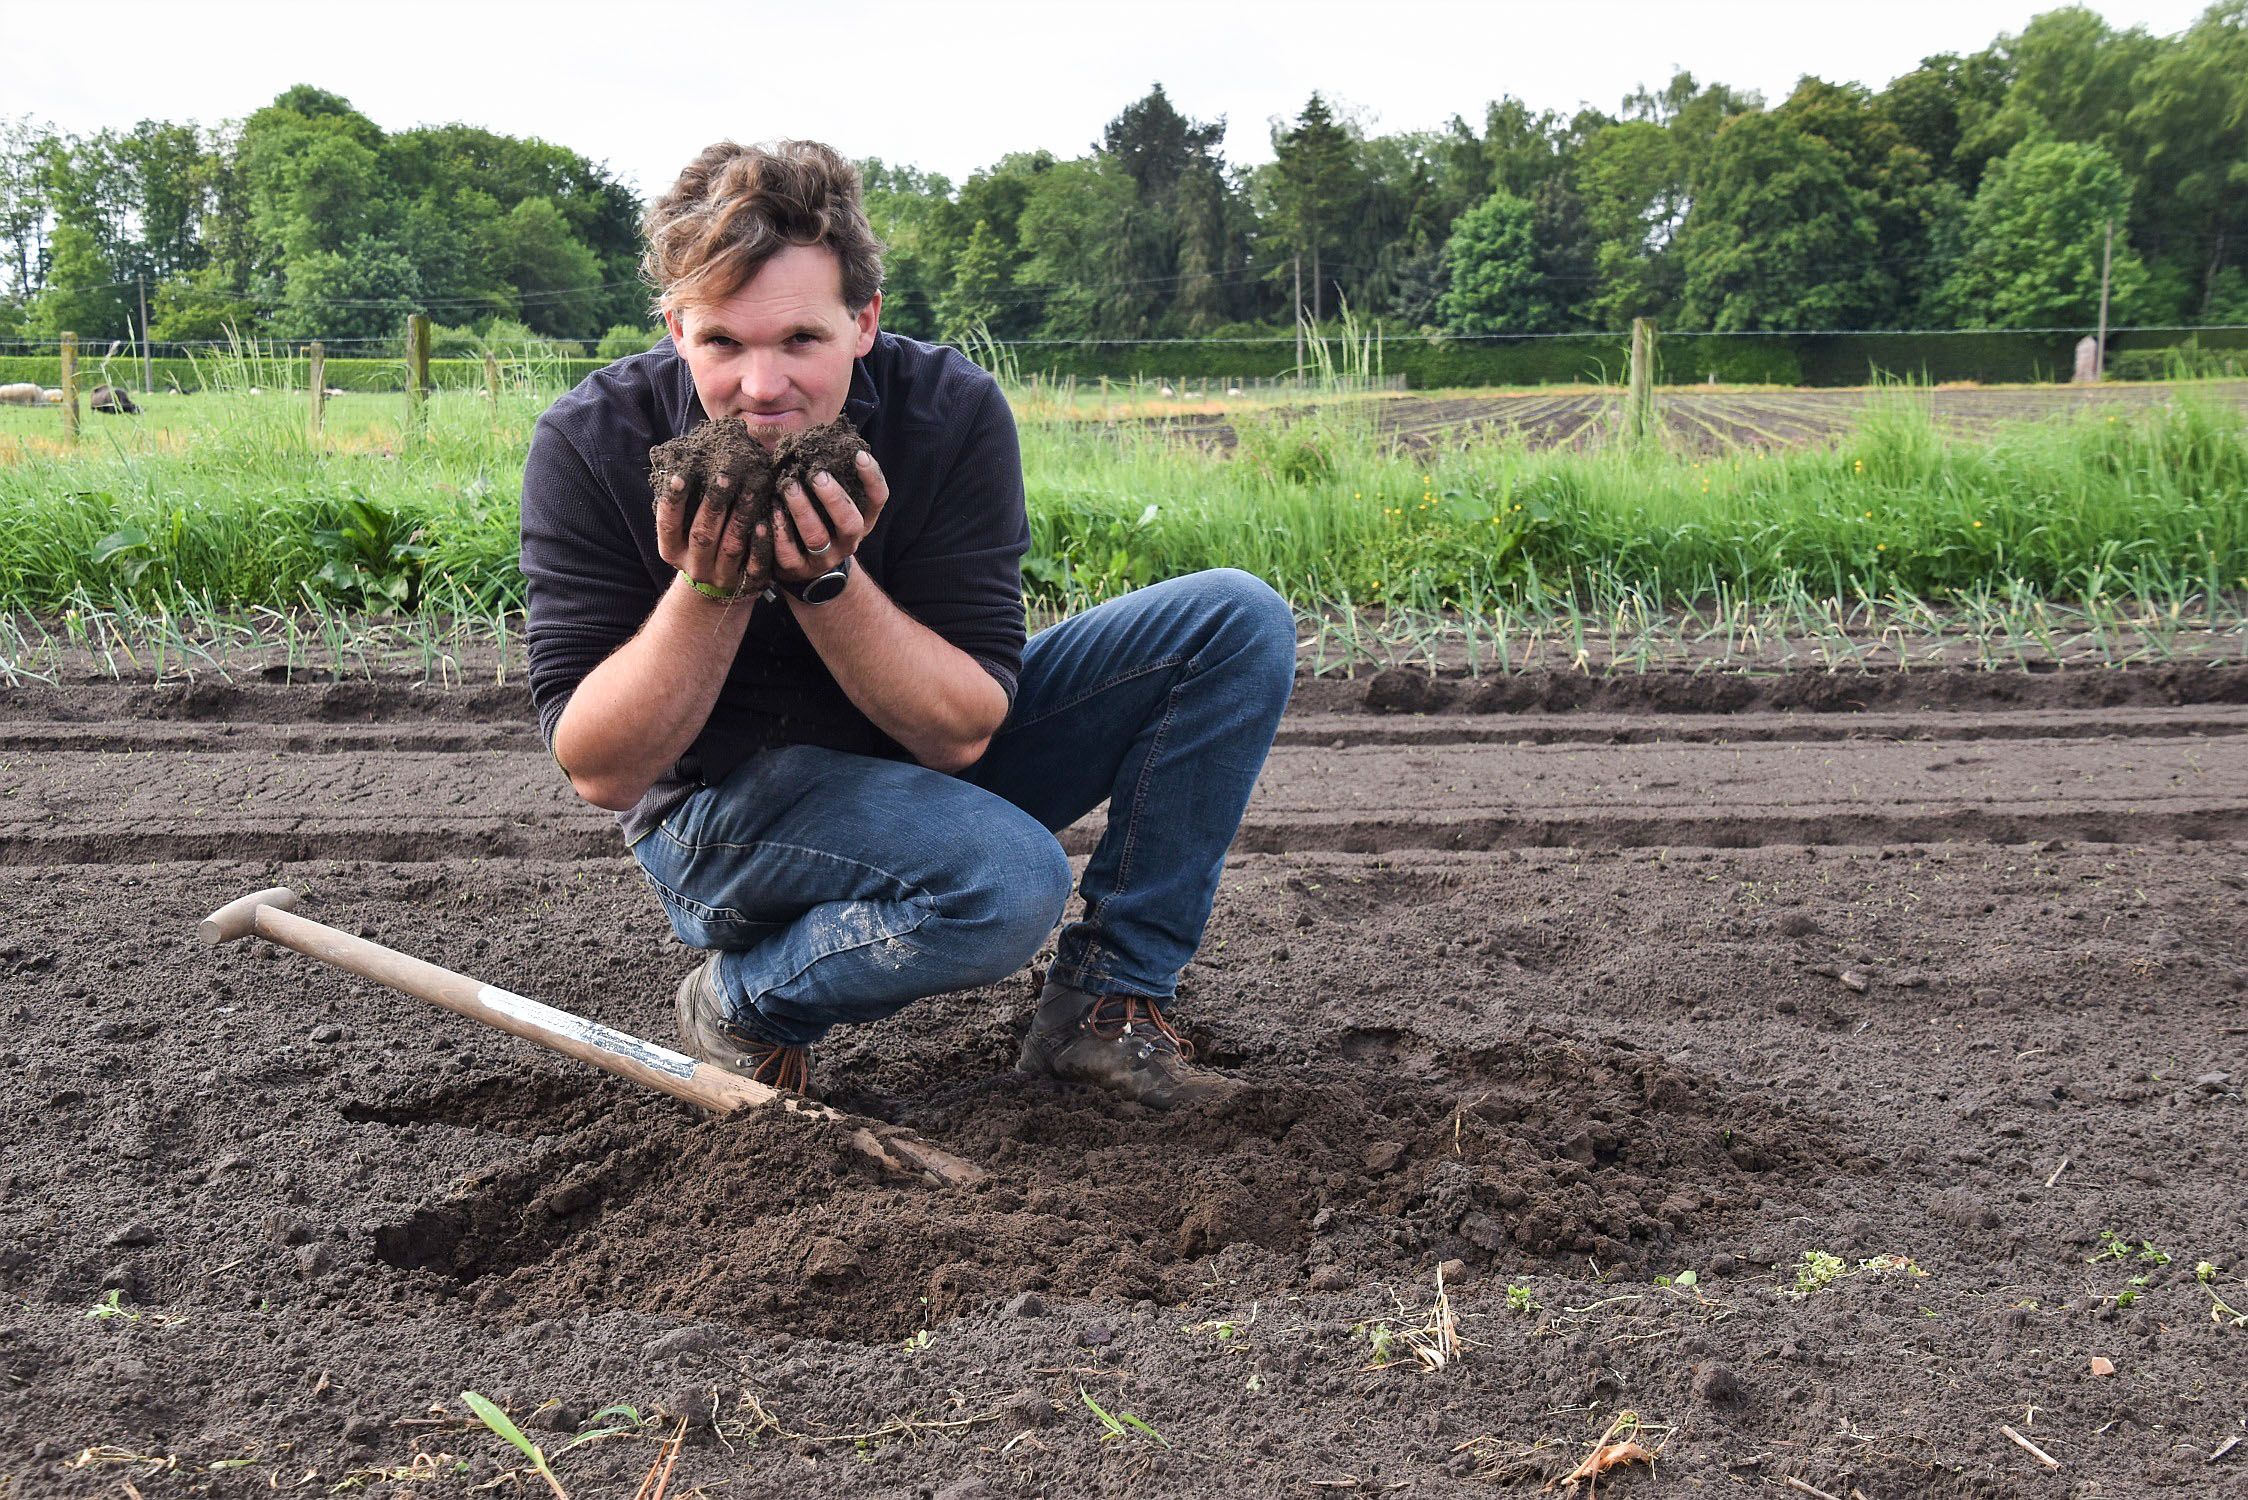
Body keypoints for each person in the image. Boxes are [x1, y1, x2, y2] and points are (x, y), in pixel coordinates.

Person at [519, 139, 1295, 1111]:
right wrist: (711, 590)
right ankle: (743, 1000)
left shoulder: (947, 412)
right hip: (717, 814)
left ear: (863, 323)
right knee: (1008, 884)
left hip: (910, 759)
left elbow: (961, 727)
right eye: (723, 342)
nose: (762, 386)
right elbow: (600, 769)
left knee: (1232, 619)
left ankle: (1106, 1011)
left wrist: (824, 578)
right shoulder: (591, 443)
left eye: (800, 339)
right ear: (677, 329)